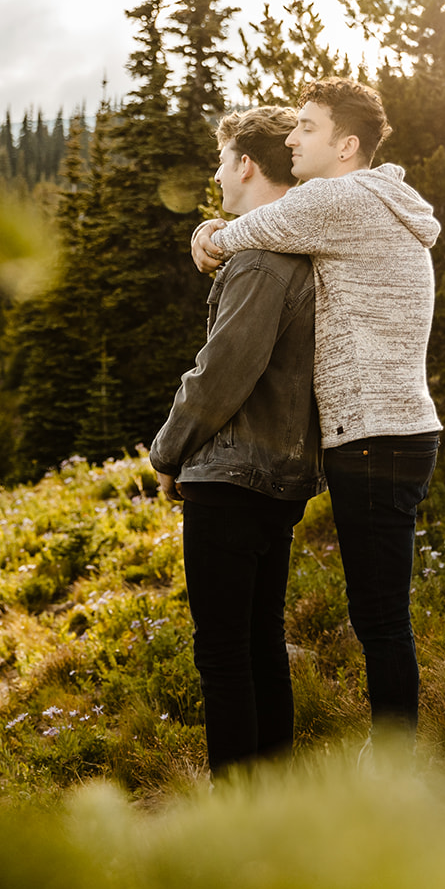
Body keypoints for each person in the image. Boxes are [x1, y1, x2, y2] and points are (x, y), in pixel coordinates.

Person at [191, 77, 441, 752]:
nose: (293, 138)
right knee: (383, 614)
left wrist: (206, 231)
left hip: (372, 435)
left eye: (307, 127)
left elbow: (244, 232)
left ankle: (393, 764)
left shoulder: (334, 199)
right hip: (403, 430)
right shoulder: (383, 199)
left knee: (380, 619)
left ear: (346, 145)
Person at [148, 106, 324, 778]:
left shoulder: (259, 261)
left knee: (224, 654)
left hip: (232, 478)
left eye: (221, 163)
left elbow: (222, 372)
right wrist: (208, 232)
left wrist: (167, 451)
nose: (217, 176)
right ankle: (272, 806)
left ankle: (239, 818)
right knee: (260, 645)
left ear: (246, 164)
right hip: (280, 477)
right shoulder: (298, 246)